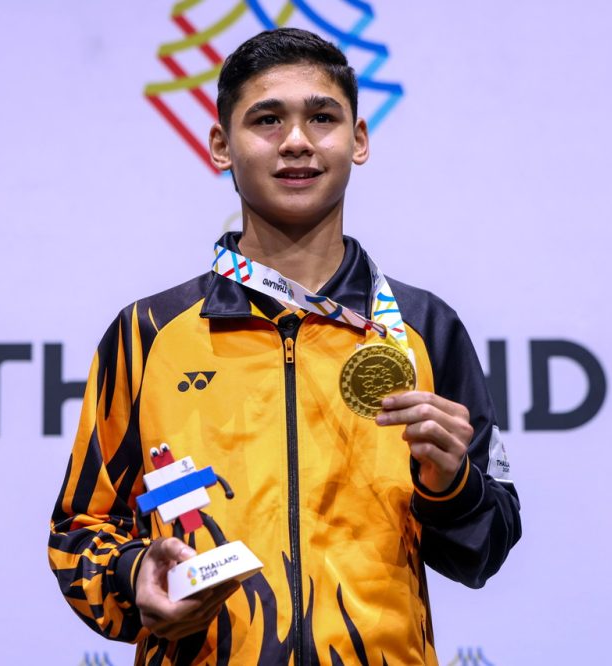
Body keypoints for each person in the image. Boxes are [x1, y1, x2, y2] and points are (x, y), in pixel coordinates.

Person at [48, 27, 521, 664]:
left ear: (358, 140)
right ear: (221, 145)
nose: (297, 140)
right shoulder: (148, 333)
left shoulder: (423, 329)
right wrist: (135, 576)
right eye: (267, 120)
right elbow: (79, 532)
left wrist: (450, 484)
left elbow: (486, 550)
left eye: (322, 117)